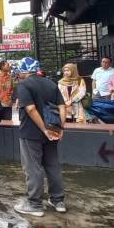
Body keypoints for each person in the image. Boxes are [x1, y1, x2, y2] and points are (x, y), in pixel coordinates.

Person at [13, 57, 67, 217]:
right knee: (52, 165)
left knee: (33, 167)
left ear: (24, 71)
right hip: (53, 131)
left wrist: (44, 129)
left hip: (31, 133)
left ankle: (35, 204)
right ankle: (58, 201)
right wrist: (60, 128)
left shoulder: (24, 85)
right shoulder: (50, 83)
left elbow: (30, 109)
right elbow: (62, 106)